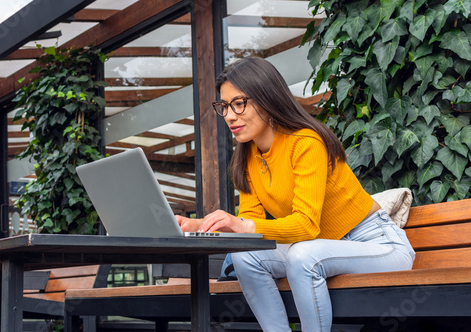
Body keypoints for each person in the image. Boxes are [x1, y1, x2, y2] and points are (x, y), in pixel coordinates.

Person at [175, 57, 415, 331]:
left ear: (267, 98)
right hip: (319, 249)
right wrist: (199, 227)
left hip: (378, 246)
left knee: (303, 255)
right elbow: (248, 229)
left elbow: (306, 225)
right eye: (224, 106)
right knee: (245, 256)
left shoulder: (305, 142)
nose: (230, 115)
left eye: (239, 103)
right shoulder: (247, 159)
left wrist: (242, 225)